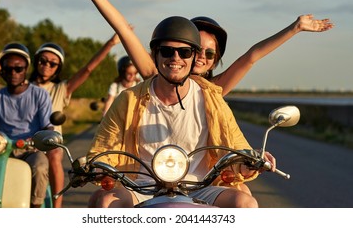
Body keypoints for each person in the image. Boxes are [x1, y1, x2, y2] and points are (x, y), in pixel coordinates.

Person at [62, 0, 334, 97]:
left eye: (210, 53)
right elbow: (124, 29)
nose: (202, 56)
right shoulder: (156, 75)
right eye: (194, 49)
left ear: (217, 60)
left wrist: (295, 27)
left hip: (199, 177)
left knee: (245, 201)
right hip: (153, 171)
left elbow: (251, 56)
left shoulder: (213, 90)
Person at [86, 16, 276, 208]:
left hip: (200, 187)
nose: (175, 58)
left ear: (194, 56)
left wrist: (250, 160)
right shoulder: (129, 99)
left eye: (184, 52)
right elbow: (104, 147)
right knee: (106, 202)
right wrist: (97, 166)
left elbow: (235, 145)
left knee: (245, 203)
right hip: (141, 188)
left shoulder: (212, 99)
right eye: (167, 51)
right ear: (155, 54)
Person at [0, 0, 121, 208]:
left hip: (40, 144)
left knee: (49, 160)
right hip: (5, 145)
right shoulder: (3, 90)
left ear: (57, 68)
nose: (46, 65)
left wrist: (111, 43)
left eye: (52, 63)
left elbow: (87, 70)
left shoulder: (54, 91)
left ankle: (46, 208)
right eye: (43, 60)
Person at [0, 43, 54, 208]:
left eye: (18, 69)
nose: (13, 73)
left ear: (26, 68)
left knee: (40, 167)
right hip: (0, 149)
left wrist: (47, 137)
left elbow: (47, 126)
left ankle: (36, 210)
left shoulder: (40, 94)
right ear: (2, 71)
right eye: (8, 69)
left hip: (29, 149)